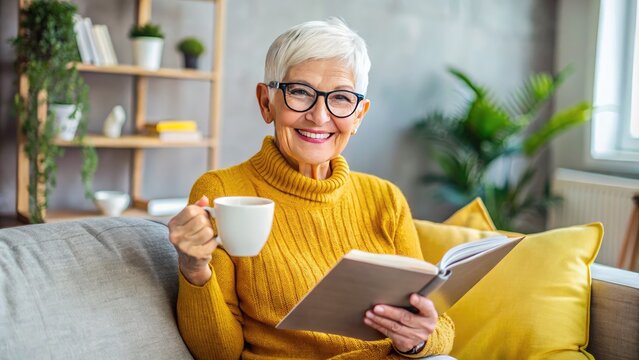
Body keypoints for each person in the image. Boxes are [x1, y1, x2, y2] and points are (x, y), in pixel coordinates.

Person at [168, 18, 455, 359]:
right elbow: (219, 354)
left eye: (341, 98)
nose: (320, 117)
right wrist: (194, 270)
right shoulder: (222, 192)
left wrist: (419, 339)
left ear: (359, 116)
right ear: (266, 102)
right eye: (300, 92)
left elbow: (438, 325)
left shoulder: (386, 199)